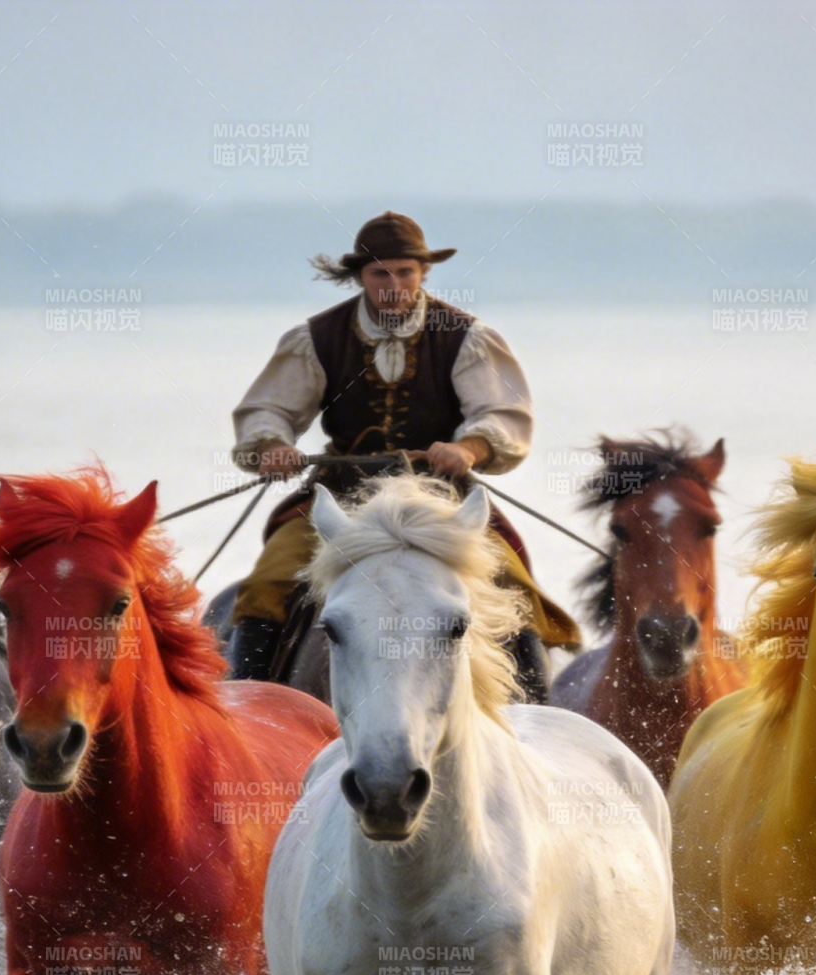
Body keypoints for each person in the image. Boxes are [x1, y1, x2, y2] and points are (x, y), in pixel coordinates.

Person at [228, 211, 580, 695]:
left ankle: (534, 720)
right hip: (340, 498)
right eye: (380, 273)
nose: (393, 284)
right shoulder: (316, 338)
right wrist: (272, 446)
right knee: (265, 587)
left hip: (441, 500)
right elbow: (268, 408)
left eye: (405, 272)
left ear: (423, 273)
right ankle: (251, 714)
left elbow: (502, 414)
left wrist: (470, 448)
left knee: (515, 590)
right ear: (360, 278)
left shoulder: (465, 337)